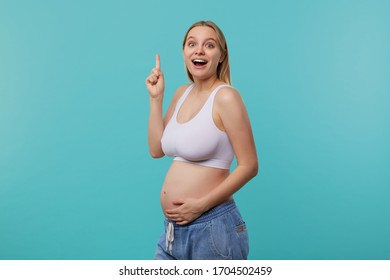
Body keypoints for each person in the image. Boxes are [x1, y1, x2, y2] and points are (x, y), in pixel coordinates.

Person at [145, 20, 258, 260]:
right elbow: (156, 149)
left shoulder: (226, 97)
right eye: (192, 44)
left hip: (212, 228)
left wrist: (201, 205)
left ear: (221, 55)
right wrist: (156, 98)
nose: (199, 50)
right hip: (172, 232)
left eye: (209, 45)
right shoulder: (181, 93)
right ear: (184, 52)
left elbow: (249, 166)